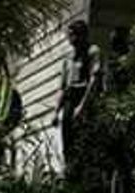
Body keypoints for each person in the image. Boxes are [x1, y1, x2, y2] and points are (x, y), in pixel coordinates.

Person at [52, 20, 102, 168]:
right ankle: (70, 173)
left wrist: (82, 106)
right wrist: (56, 111)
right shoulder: (68, 58)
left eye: (73, 35)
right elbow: (62, 87)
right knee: (68, 142)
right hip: (69, 99)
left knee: (85, 140)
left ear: (82, 36)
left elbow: (94, 79)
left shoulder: (92, 51)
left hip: (84, 96)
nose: (70, 39)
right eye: (69, 36)